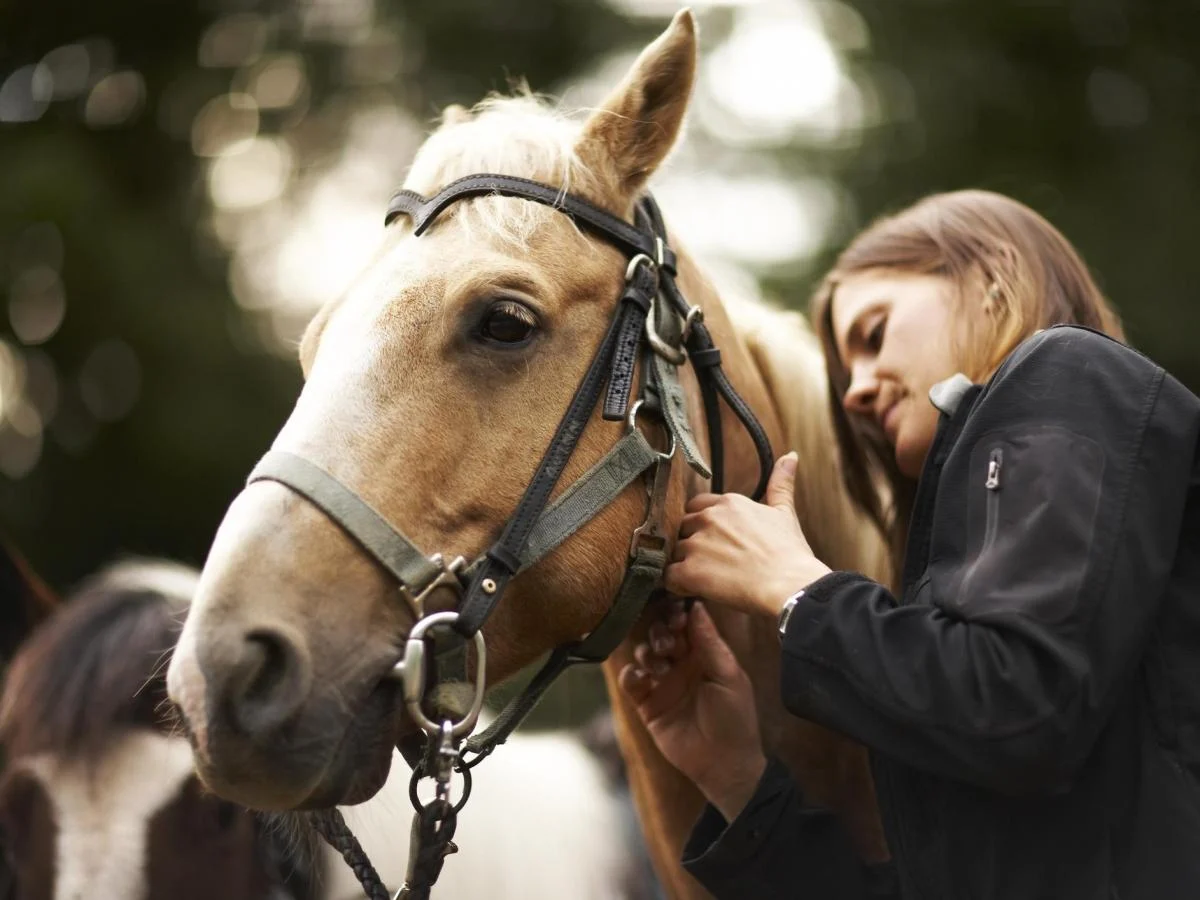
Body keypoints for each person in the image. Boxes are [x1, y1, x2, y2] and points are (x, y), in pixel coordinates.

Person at [620, 190, 1200, 900]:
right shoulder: (961, 566)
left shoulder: (1069, 373)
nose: (858, 390)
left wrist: (798, 591)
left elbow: (1020, 706)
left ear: (991, 278)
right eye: (844, 375)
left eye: (873, 332)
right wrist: (737, 778)